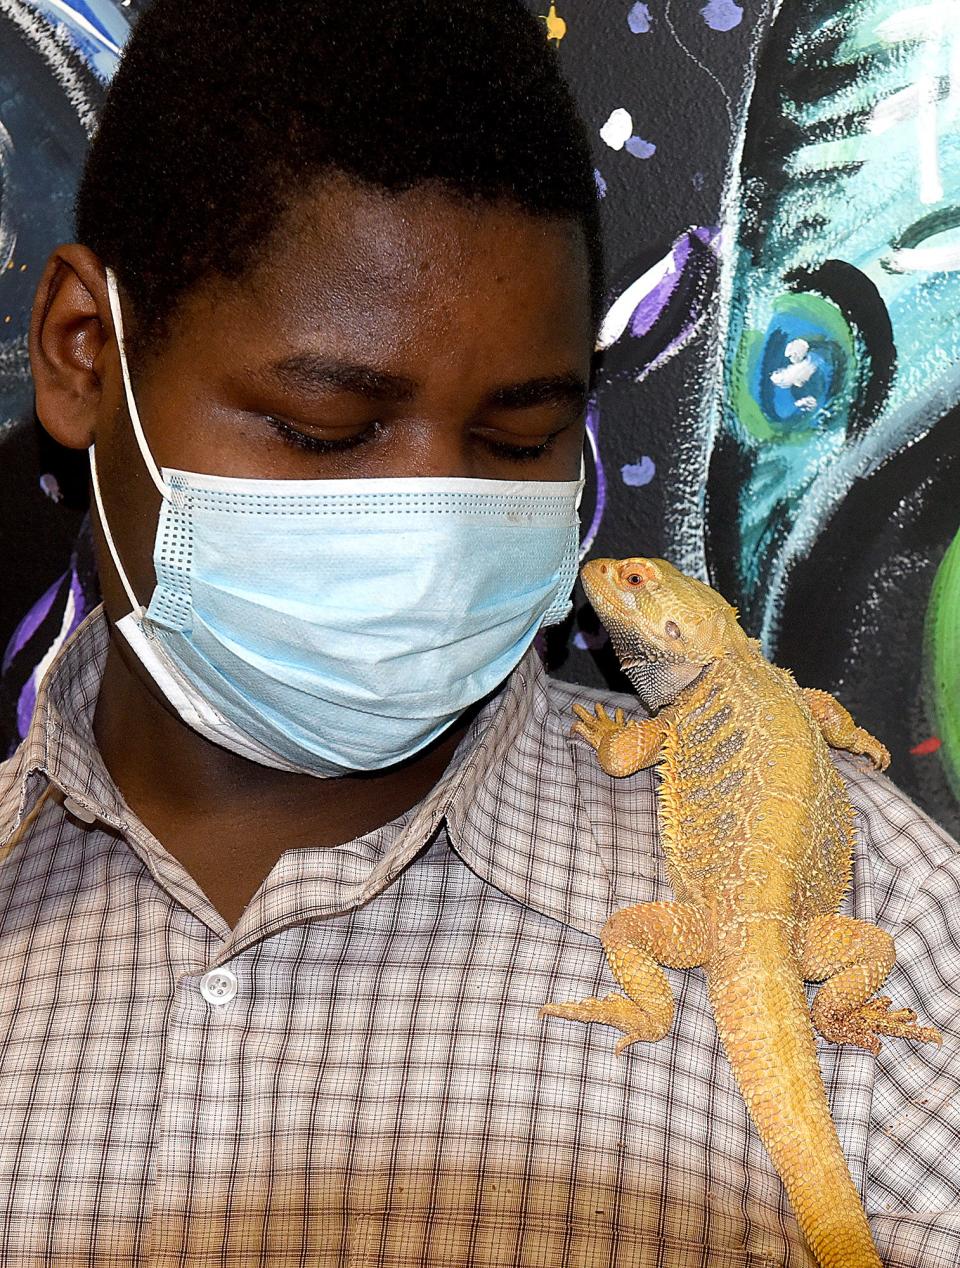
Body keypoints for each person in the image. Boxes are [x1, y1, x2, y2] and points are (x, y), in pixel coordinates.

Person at [0, 0, 957, 1263]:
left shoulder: (904, 899)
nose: (439, 521)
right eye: (323, 427)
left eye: (519, 442)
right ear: (84, 353)